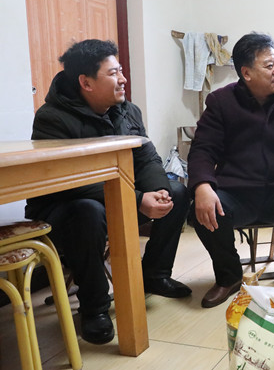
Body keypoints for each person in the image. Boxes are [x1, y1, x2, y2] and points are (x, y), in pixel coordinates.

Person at [26, 39, 192, 345]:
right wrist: (137, 200)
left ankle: (154, 275)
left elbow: (146, 157)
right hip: (63, 207)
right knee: (88, 211)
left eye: (121, 71)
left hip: (117, 198)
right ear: (86, 83)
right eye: (113, 73)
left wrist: (156, 191)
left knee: (176, 193)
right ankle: (94, 307)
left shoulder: (128, 111)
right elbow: (71, 182)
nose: (123, 79)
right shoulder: (52, 118)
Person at [187, 32, 274, 308]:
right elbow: (203, 149)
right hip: (236, 192)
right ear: (246, 72)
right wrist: (202, 186)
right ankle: (229, 276)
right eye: (269, 66)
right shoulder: (221, 102)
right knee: (202, 209)